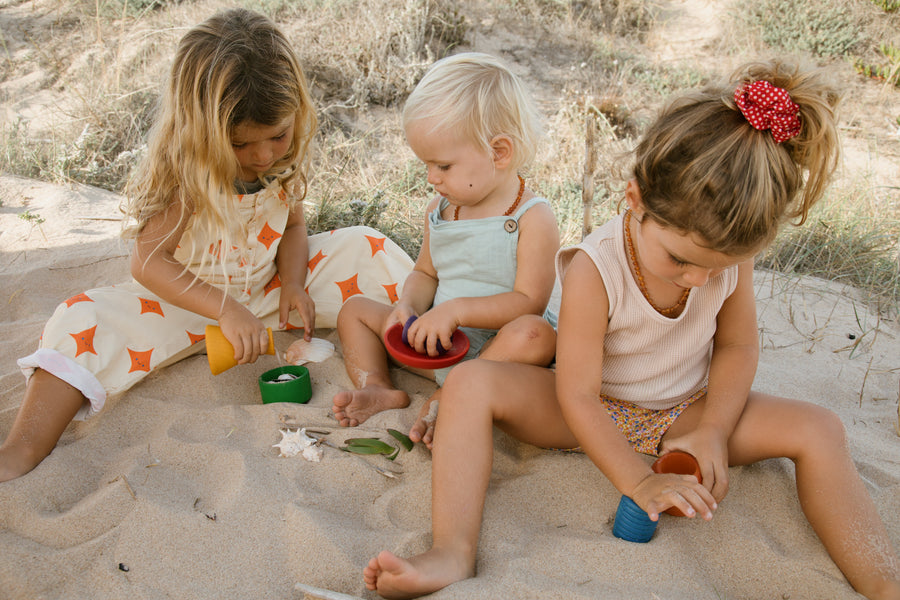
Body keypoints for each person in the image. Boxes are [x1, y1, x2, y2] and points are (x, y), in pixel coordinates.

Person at [362, 59, 900, 600]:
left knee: (821, 428)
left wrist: (713, 427)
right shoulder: (598, 266)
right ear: (635, 199)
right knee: (471, 385)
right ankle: (451, 551)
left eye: (722, 264)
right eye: (682, 261)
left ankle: (881, 581)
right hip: (587, 410)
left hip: (684, 411)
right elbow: (576, 393)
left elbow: (737, 344)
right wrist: (638, 481)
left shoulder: (725, 254)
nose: (705, 278)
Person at [0, 8, 413, 483]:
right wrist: (225, 310)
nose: (263, 155)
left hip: (268, 294)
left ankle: (443, 349)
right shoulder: (189, 175)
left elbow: (295, 227)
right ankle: (21, 447)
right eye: (242, 145)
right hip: (185, 305)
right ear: (204, 131)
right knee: (81, 319)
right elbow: (149, 262)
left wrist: (296, 283)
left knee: (368, 246)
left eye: (277, 135)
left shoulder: (282, 157)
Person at [331, 52, 559, 440]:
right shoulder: (440, 209)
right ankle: (377, 385)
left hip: (499, 356)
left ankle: (450, 393)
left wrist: (455, 311)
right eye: (426, 165)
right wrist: (410, 306)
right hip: (437, 344)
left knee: (535, 334)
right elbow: (425, 272)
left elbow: (529, 301)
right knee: (354, 310)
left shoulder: (531, 217)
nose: (431, 177)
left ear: (498, 152)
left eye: (444, 166)